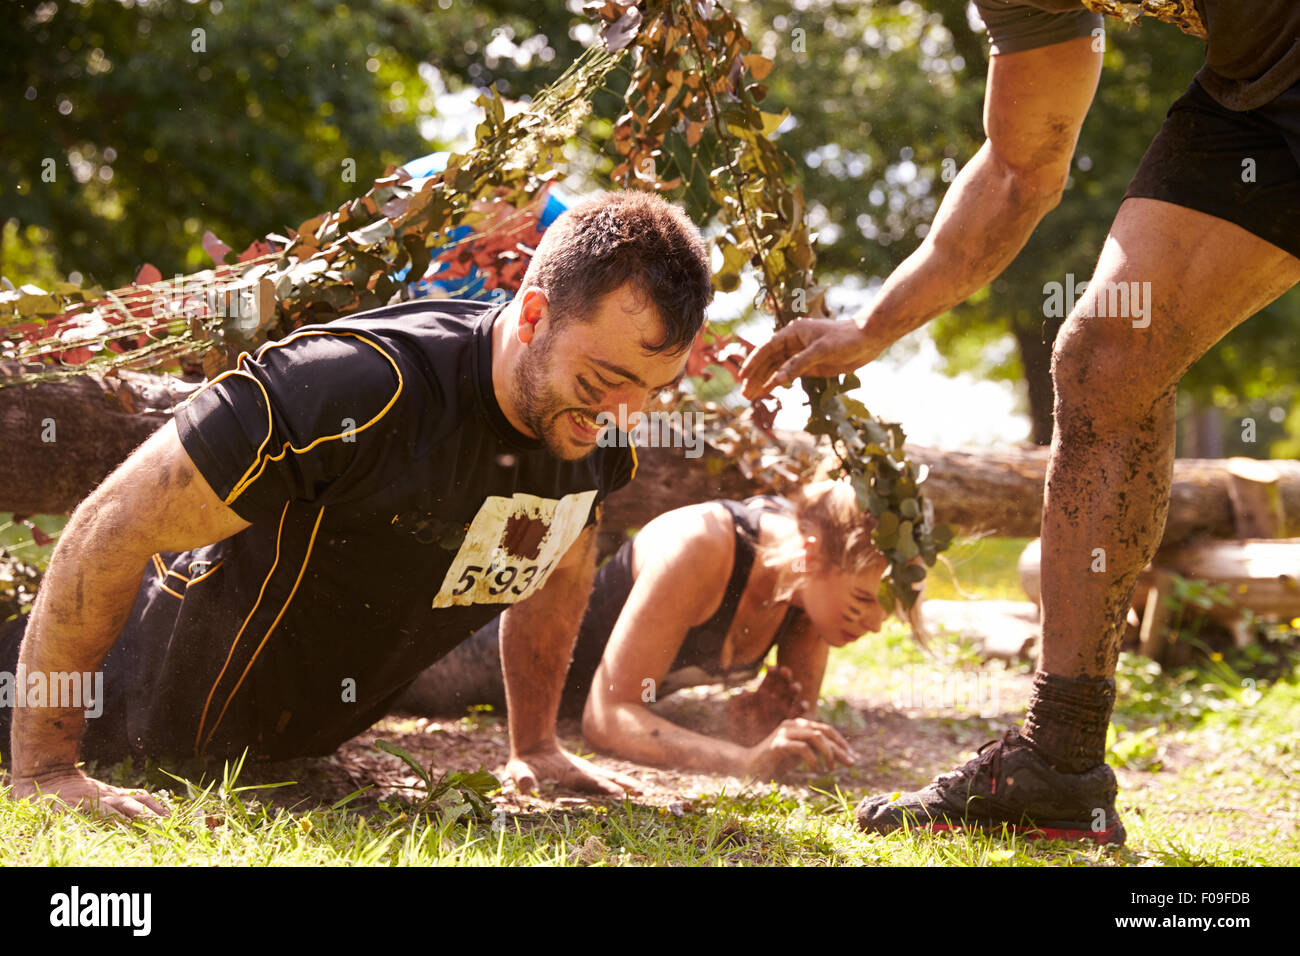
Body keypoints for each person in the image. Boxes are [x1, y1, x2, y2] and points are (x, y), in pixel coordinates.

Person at [740, 1, 1300, 845]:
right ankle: (1061, 764)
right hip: (1259, 96)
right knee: (1107, 360)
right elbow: (1019, 169)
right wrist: (874, 327)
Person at [2, 190, 713, 819]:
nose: (626, 415)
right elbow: (105, 528)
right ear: (532, 316)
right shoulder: (350, 387)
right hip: (108, 705)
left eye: (652, 390)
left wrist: (535, 744)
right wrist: (47, 770)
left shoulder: (593, 444)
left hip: (271, 760)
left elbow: (559, 567)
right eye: (604, 379)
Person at [401, 481, 902, 776]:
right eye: (863, 599)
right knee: (394, 680)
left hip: (570, 702)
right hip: (486, 656)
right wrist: (742, 760)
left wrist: (754, 728)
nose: (876, 624)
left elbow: (784, 739)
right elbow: (609, 717)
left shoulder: (812, 601)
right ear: (811, 554)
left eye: (885, 605)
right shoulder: (706, 545)